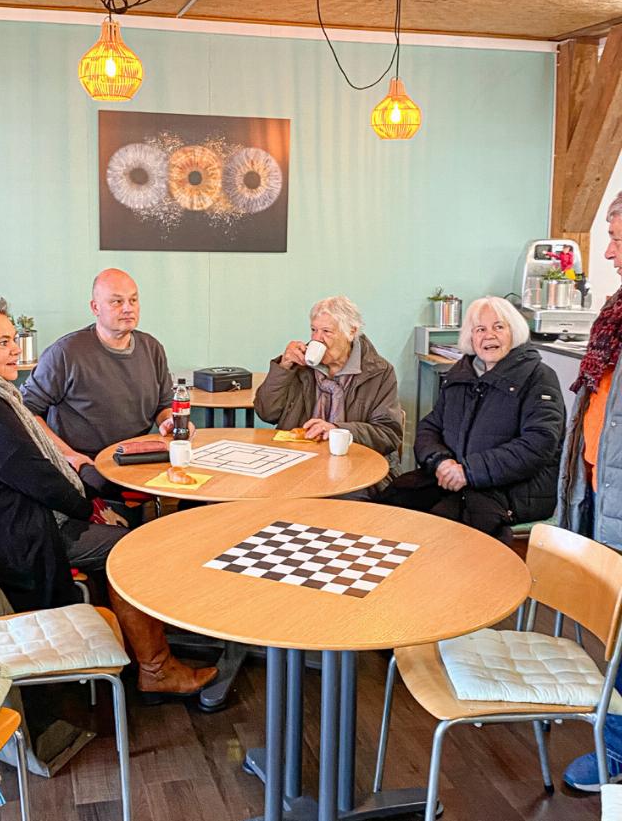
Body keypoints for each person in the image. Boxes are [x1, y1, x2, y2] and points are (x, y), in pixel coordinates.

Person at [0, 298, 216, 698]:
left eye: (13, 340)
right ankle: (156, 668)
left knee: (123, 519)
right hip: (16, 540)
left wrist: (89, 492)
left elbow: (35, 472)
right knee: (133, 549)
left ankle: (136, 640)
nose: (15, 351)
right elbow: (42, 480)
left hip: (4, 522)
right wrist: (91, 503)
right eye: (3, 342)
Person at [381, 296, 565, 543]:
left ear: (515, 331)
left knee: (439, 534)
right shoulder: (461, 374)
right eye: (480, 329)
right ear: (471, 337)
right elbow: (429, 427)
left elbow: (538, 444)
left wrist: (469, 471)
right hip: (453, 480)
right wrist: (441, 463)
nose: (489, 335)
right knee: (391, 505)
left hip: (510, 490)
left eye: (498, 327)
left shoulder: (539, 377)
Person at [20, 268, 191, 520]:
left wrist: (168, 421)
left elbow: (164, 405)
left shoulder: (151, 347)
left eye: (133, 300)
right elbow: (26, 411)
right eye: (117, 301)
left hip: (136, 459)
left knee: (194, 494)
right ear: (95, 307)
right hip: (86, 464)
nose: (128, 308)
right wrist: (68, 455)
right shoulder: (66, 352)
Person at [557, 191, 622, 791]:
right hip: (602, 488)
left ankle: (618, 756)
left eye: (618, 240)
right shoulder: (616, 313)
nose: (607, 252)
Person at [253, 296, 404, 497]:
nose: (317, 339)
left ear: (351, 332)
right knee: (261, 493)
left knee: (341, 503)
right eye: (314, 330)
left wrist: (337, 430)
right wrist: (283, 367)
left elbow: (388, 433)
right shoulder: (301, 365)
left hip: (355, 470)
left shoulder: (378, 372)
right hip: (297, 463)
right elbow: (266, 412)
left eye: (326, 332)